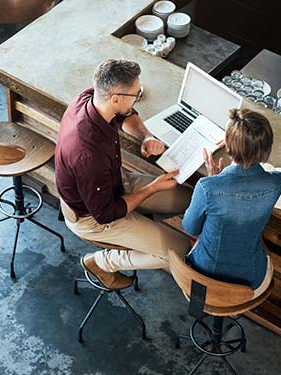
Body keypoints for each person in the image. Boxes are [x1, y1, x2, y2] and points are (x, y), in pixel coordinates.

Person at [55, 59, 192, 290]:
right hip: (93, 216)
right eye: (135, 94)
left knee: (188, 198)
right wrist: (152, 189)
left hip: (114, 183)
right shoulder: (88, 156)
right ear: (115, 98)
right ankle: (101, 263)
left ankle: (144, 226)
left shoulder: (91, 98)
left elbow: (126, 115)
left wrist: (146, 137)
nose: (138, 98)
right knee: (179, 249)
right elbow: (106, 213)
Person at [182, 108, 281, 290]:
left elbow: (190, 228)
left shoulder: (207, 187)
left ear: (228, 147)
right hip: (248, 282)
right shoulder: (277, 182)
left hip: (203, 277)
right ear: (267, 148)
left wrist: (214, 179)